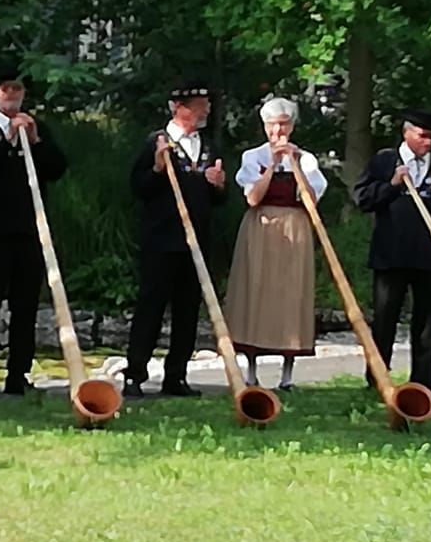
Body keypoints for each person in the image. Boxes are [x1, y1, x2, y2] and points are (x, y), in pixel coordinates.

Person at [0, 67, 67, 395]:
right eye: (6, 89)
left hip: (29, 230)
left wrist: (34, 141)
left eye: (17, 89)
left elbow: (57, 168)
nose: (12, 94)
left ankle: (18, 373)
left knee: (25, 304)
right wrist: (9, 138)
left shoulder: (37, 128)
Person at [121, 80, 228, 399]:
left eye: (206, 105)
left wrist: (217, 185)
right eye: (199, 106)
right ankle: (135, 374)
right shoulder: (157, 142)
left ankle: (176, 376)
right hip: (161, 240)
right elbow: (138, 187)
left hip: (197, 242)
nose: (206, 111)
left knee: (187, 310)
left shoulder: (207, 146)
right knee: (151, 306)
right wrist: (156, 169)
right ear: (180, 108)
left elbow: (217, 200)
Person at [352, 108, 431, 392]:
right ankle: (377, 377)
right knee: (385, 319)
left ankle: (423, 381)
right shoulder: (384, 161)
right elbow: (362, 198)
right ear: (406, 133)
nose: (428, 142)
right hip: (390, 254)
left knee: (426, 322)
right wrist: (391, 185)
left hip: (429, 255)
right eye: (422, 136)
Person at [222, 97, 327, 392]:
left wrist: (294, 164)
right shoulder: (252, 157)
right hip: (261, 227)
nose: (278, 131)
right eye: (272, 125)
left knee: (291, 294)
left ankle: (287, 373)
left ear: (291, 126)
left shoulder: (306, 159)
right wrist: (273, 165)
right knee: (255, 290)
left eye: (283, 124)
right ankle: (251, 370)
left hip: (295, 226)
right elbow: (253, 198)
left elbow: (311, 200)